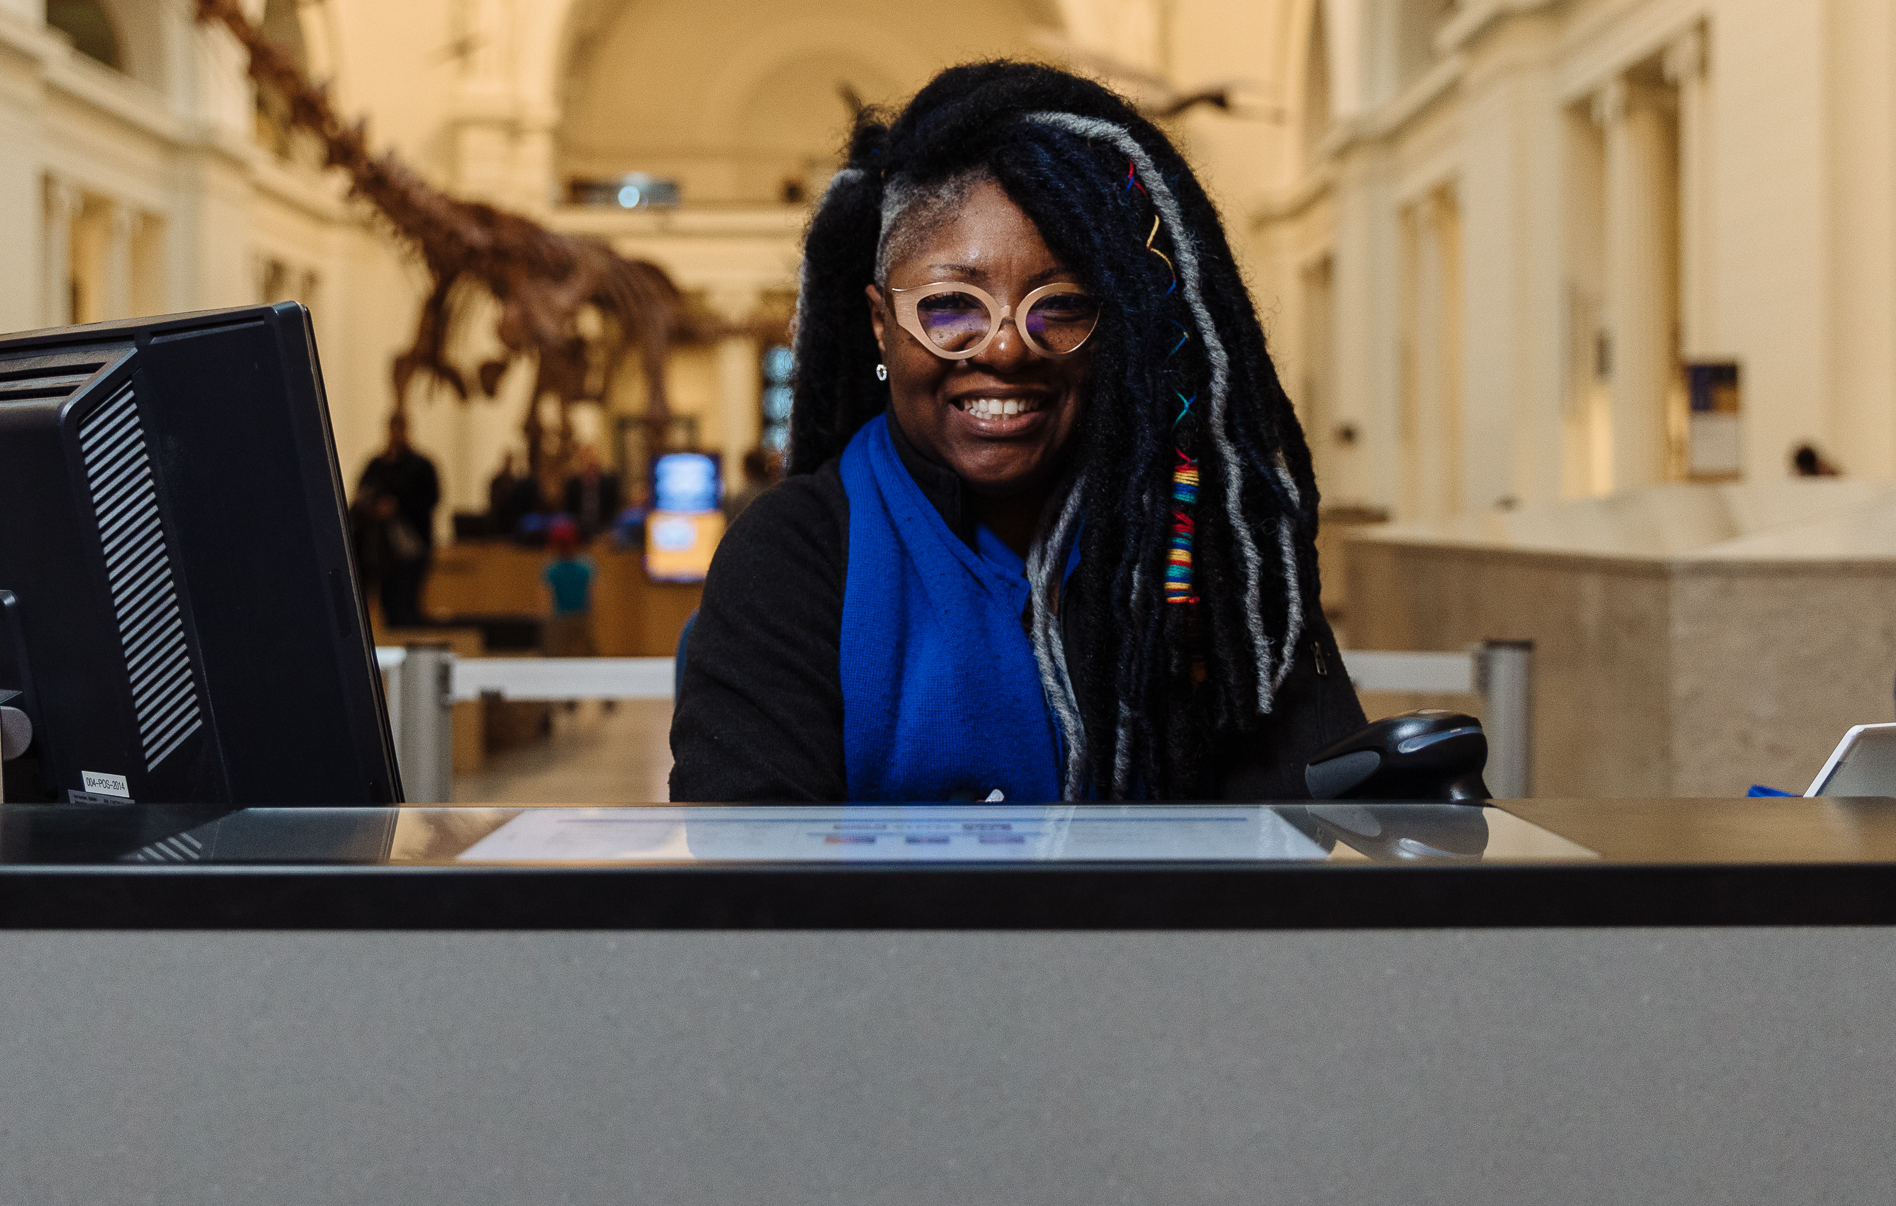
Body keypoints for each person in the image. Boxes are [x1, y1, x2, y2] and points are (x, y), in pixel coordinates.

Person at [670, 60, 1366, 802]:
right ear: (882, 325)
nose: (1005, 348)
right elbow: (748, 891)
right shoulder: (794, 556)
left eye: (1059, 305)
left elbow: (1309, 842)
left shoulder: (1208, 548)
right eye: (950, 306)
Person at [353, 412, 442, 628]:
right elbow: (360, 497)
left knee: (407, 606)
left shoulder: (421, 466)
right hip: (383, 552)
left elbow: (431, 499)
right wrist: (375, 508)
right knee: (388, 606)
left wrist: (398, 505)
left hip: (412, 548)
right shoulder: (376, 465)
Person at [540, 521, 598, 657]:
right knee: (584, 656)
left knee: (557, 656)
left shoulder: (551, 567)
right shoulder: (586, 565)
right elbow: (594, 595)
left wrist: (546, 619)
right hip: (576, 617)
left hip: (563, 618)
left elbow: (545, 597)